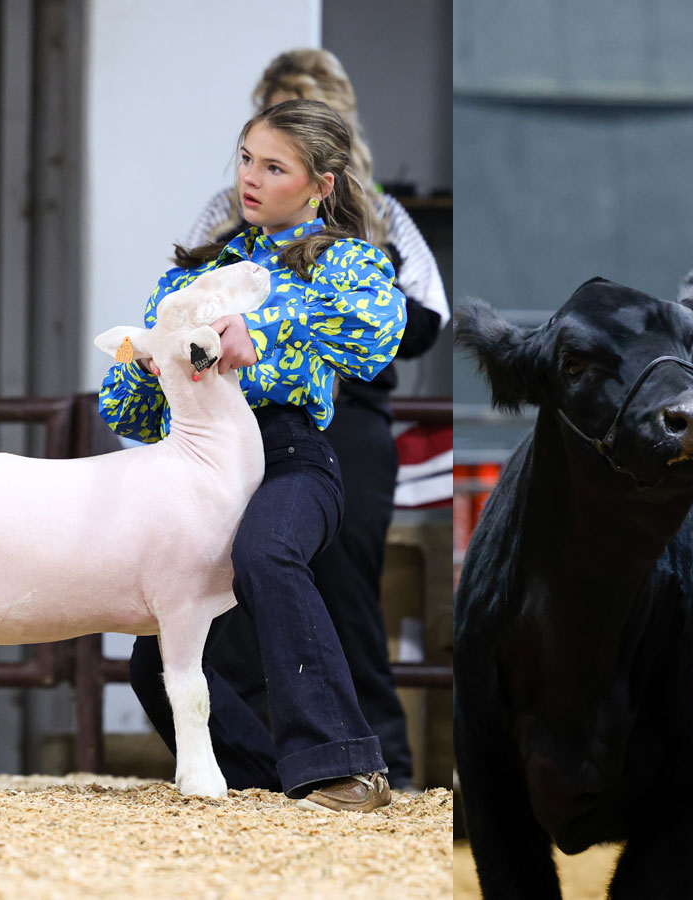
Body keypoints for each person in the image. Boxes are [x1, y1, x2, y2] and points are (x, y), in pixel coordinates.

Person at [101, 99, 407, 812]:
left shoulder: (348, 260)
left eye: (274, 167)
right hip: (197, 462)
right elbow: (127, 411)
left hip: (292, 453)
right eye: (246, 159)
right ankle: (274, 780)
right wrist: (148, 368)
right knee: (154, 654)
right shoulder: (196, 273)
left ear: (320, 184)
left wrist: (261, 325)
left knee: (268, 552)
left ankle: (347, 767)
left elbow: (375, 334)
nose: (251, 178)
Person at [183, 48, 447, 788]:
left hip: (336, 413)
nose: (254, 175)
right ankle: (296, 764)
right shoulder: (239, 215)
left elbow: (414, 318)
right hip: (263, 415)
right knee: (287, 586)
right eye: (249, 158)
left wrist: (300, 327)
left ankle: (362, 762)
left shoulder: (372, 216)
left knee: (294, 580)